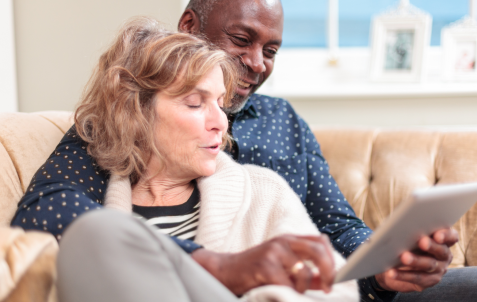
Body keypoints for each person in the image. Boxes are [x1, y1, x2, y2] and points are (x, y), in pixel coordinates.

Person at [11, 1, 477, 301]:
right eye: (242, 40)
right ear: (191, 27)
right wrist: (221, 264)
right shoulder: (116, 130)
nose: (258, 63)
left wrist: (387, 262)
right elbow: (49, 210)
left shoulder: (283, 125)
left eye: (272, 51)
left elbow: (340, 228)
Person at [51, 17, 359, 301]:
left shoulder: (266, 193)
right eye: (196, 103)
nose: (221, 123)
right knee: (92, 233)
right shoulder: (92, 197)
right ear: (136, 113)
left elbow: (340, 290)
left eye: (221, 104)